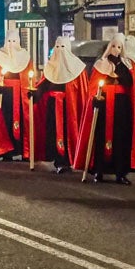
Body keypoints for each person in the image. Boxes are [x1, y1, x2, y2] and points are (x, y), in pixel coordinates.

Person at [73, 33, 135, 183]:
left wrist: (118, 65)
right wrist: (96, 99)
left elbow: (129, 83)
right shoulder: (100, 64)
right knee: (100, 138)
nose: (115, 50)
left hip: (121, 106)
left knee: (120, 139)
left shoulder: (126, 65)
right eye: (113, 46)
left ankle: (120, 172)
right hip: (104, 105)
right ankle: (99, 170)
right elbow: (94, 86)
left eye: (119, 47)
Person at [32, 35, 89, 174]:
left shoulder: (78, 68)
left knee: (68, 132)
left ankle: (68, 160)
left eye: (62, 47)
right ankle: (59, 160)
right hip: (52, 106)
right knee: (53, 132)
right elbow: (44, 85)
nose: (60, 50)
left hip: (69, 107)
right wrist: (34, 94)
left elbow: (81, 91)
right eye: (57, 47)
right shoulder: (50, 66)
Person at [0, 29, 33, 162]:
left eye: (14, 41)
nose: (12, 45)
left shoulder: (25, 56)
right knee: (5, 121)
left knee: (23, 123)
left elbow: (30, 77)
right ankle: (6, 151)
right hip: (5, 97)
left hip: (21, 96)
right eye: (9, 41)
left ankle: (24, 150)